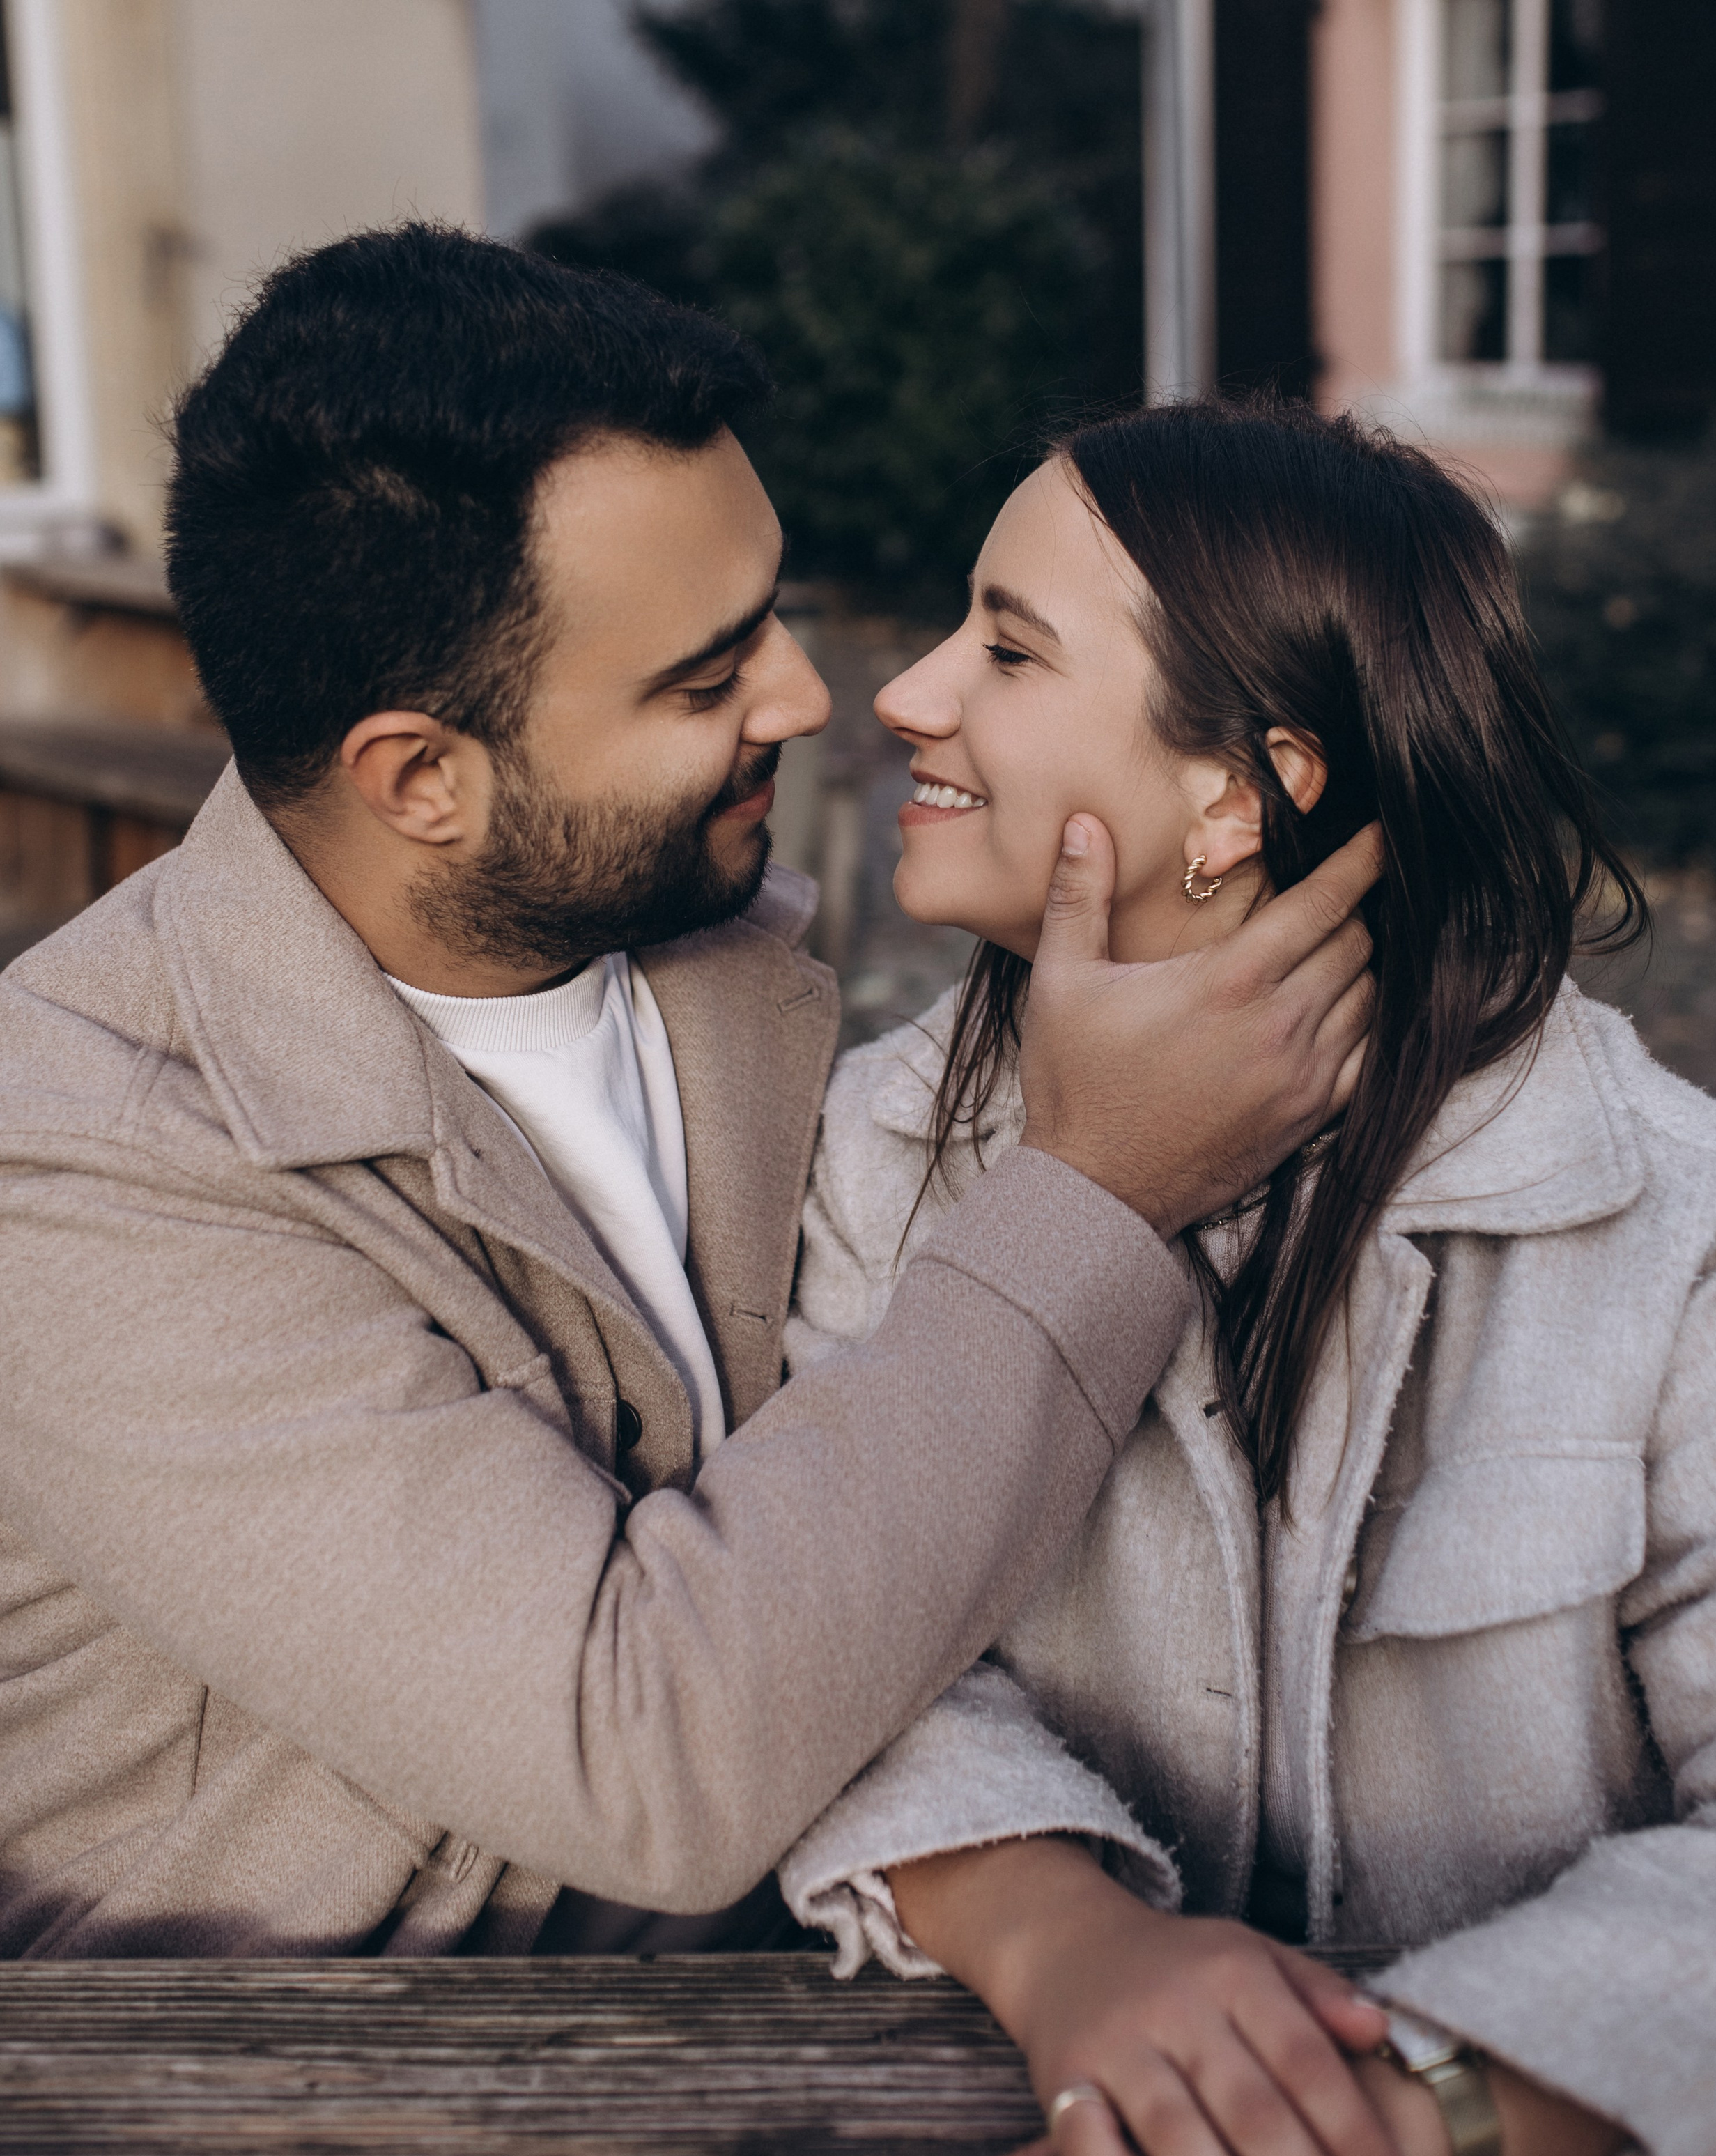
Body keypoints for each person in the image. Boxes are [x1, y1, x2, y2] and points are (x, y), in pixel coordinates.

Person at [0, 233, 1379, 1960]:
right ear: (421, 777)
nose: (818, 697)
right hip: (272, 2140)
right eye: (705, 678)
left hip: (802, 2064)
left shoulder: (728, 981)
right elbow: (638, 1751)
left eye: (772, 611)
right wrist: (1094, 1195)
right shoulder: (78, 1169)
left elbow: (906, 1573)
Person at [779, 397, 1716, 2156]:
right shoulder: (868, 1156)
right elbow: (809, 1639)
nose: (899, 693)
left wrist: (1384, 2127)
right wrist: (1068, 1941)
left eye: (1006, 644)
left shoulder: (1707, 1225)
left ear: (1246, 792)